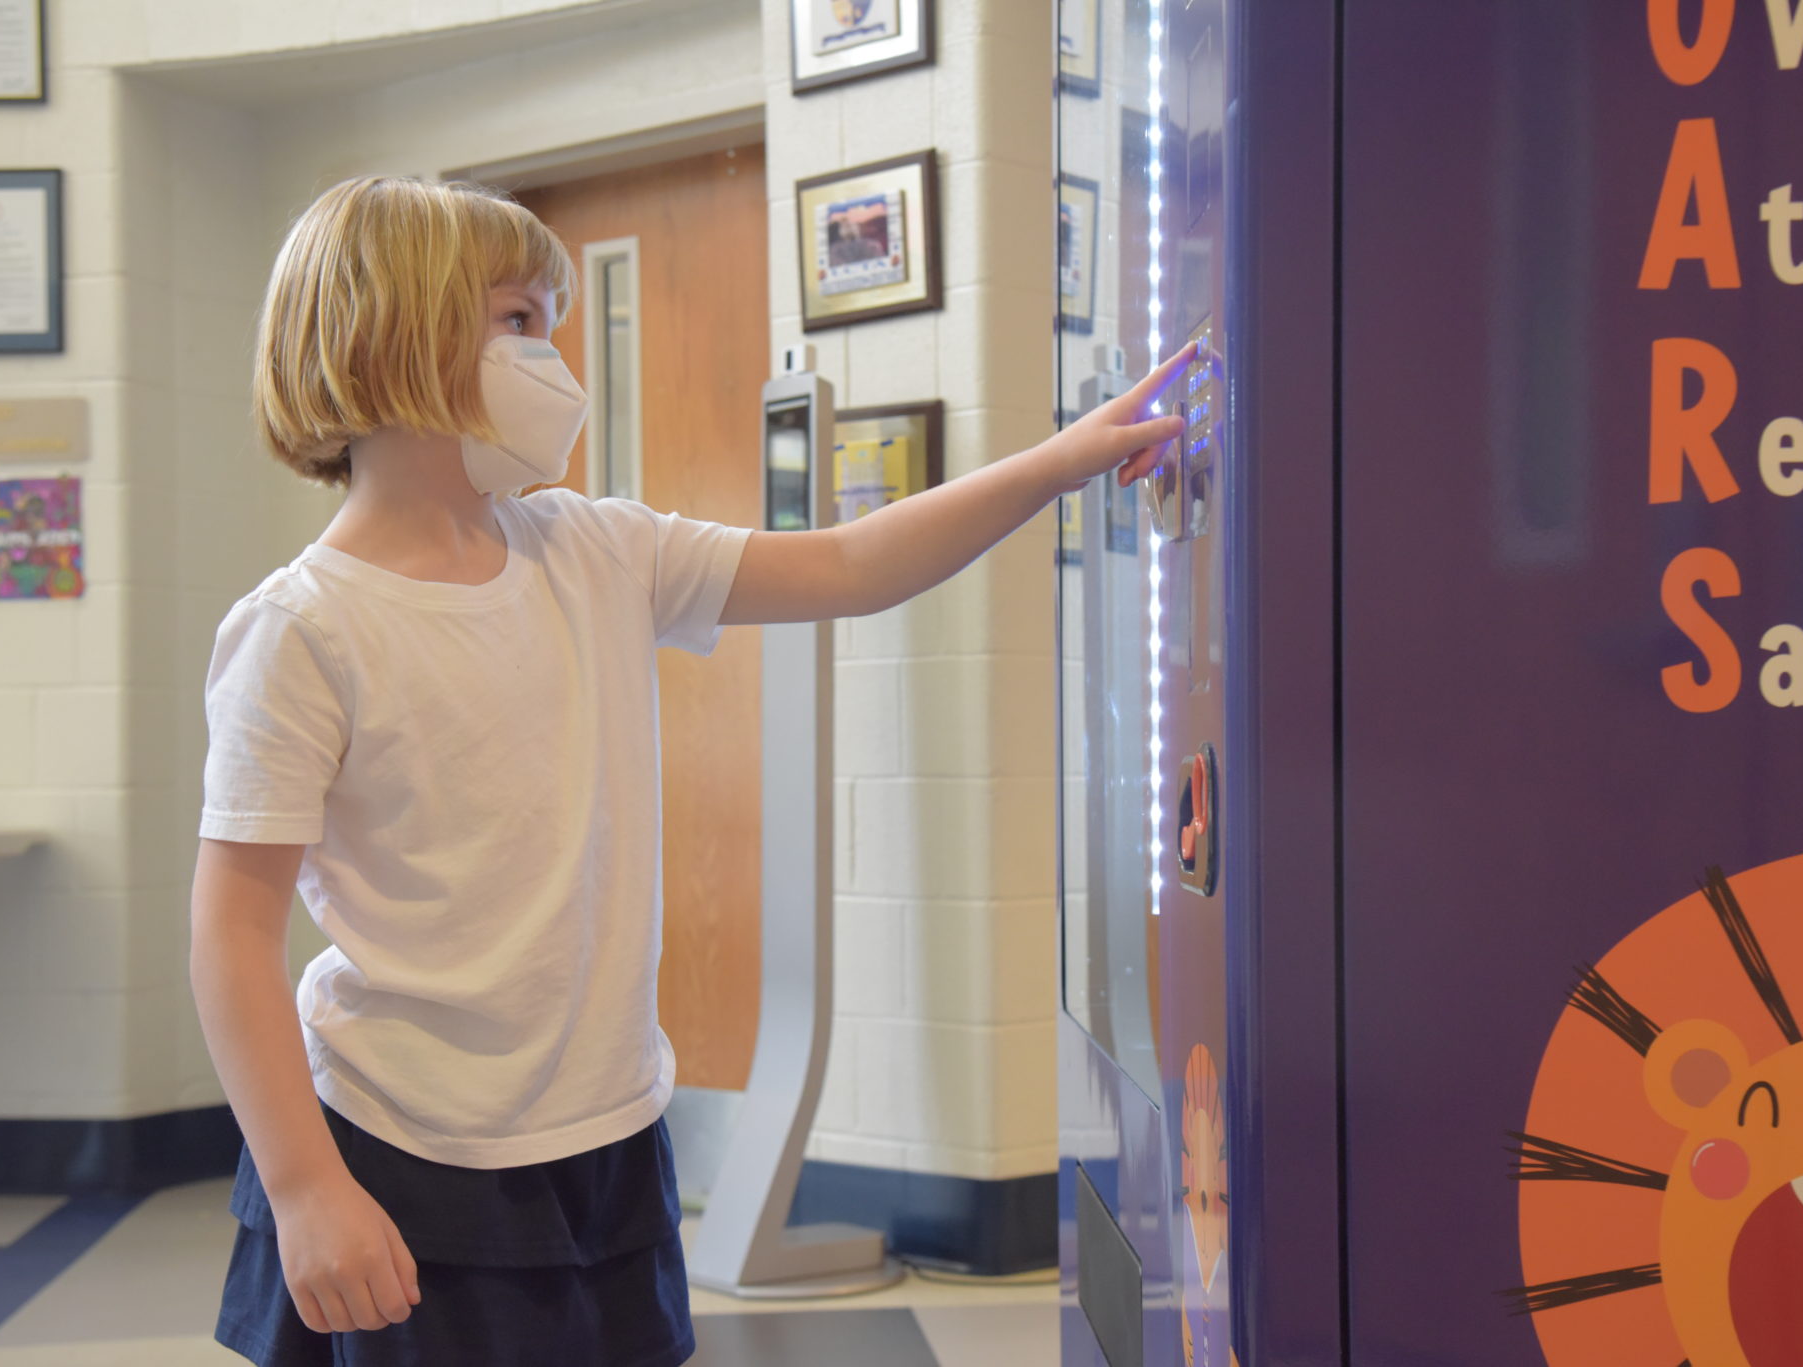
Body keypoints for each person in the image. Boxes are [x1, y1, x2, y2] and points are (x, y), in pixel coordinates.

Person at [191, 174, 1192, 1367]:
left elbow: (844, 565)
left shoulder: (595, 547)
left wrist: (1059, 461)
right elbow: (233, 933)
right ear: (388, 334)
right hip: (398, 1148)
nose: (549, 357)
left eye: (550, 322)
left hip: (604, 1135)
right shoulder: (302, 627)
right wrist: (307, 1187)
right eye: (516, 320)